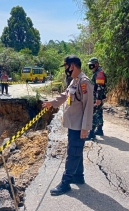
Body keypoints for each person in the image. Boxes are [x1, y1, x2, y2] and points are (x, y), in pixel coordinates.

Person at [42, 55, 94, 196]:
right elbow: (65, 95)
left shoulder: (84, 83)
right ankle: (78, 175)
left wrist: (85, 127)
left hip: (79, 126)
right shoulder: (74, 81)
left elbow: (89, 106)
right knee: (76, 150)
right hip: (73, 124)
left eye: (66, 66)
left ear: (72, 66)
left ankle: (65, 183)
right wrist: (51, 103)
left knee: (73, 153)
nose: (66, 69)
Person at [86, 57, 107, 140]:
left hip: (97, 97)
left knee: (93, 113)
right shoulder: (97, 72)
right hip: (98, 97)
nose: (91, 66)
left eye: (92, 64)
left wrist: (98, 99)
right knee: (99, 113)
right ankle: (99, 130)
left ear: (96, 64)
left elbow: (99, 87)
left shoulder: (99, 73)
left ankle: (91, 133)